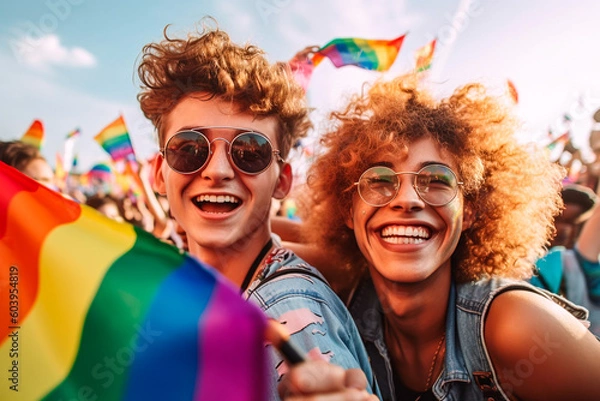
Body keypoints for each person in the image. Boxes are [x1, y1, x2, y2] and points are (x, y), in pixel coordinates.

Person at [279, 75, 600, 400]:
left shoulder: (517, 327)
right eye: (379, 179)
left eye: (436, 180)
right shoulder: (344, 295)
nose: (407, 200)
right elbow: (253, 245)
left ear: (470, 211)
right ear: (349, 212)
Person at [136, 18, 377, 400]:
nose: (216, 171)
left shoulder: (285, 309)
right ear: (158, 173)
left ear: (281, 180)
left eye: (249, 152)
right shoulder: (208, 294)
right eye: (190, 149)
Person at [531, 183, 600, 335]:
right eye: (558, 219)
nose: (563, 228)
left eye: (572, 222)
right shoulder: (527, 261)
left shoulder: (590, 269)